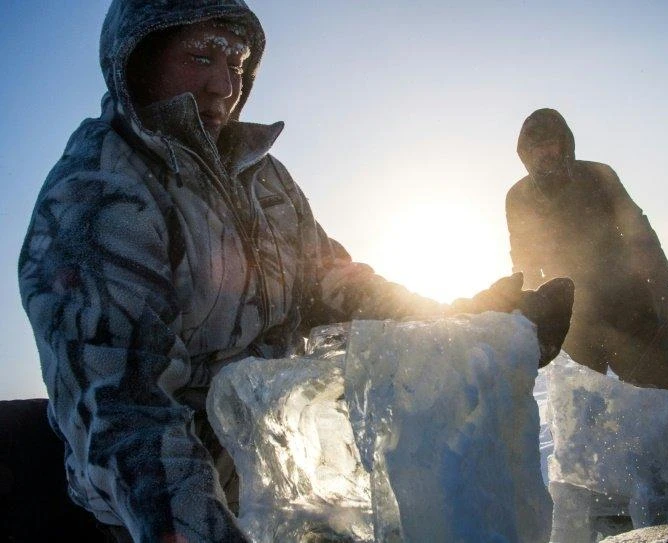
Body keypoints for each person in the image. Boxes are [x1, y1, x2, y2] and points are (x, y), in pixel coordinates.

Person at [18, 2, 573, 541]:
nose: (224, 86)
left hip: (274, 483)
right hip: (157, 513)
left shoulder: (264, 177)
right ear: (138, 59)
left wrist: (466, 325)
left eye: (237, 64)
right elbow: (126, 409)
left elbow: (335, 285)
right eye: (202, 56)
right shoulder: (98, 196)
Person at [505, 108, 668, 378]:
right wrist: (531, 313)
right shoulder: (518, 197)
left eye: (550, 143)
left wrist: (661, 281)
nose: (544, 152)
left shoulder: (599, 174)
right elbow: (524, 257)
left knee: (654, 382)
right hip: (574, 314)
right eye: (536, 147)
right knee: (587, 396)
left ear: (564, 143)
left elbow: (637, 228)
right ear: (526, 153)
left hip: (628, 299)